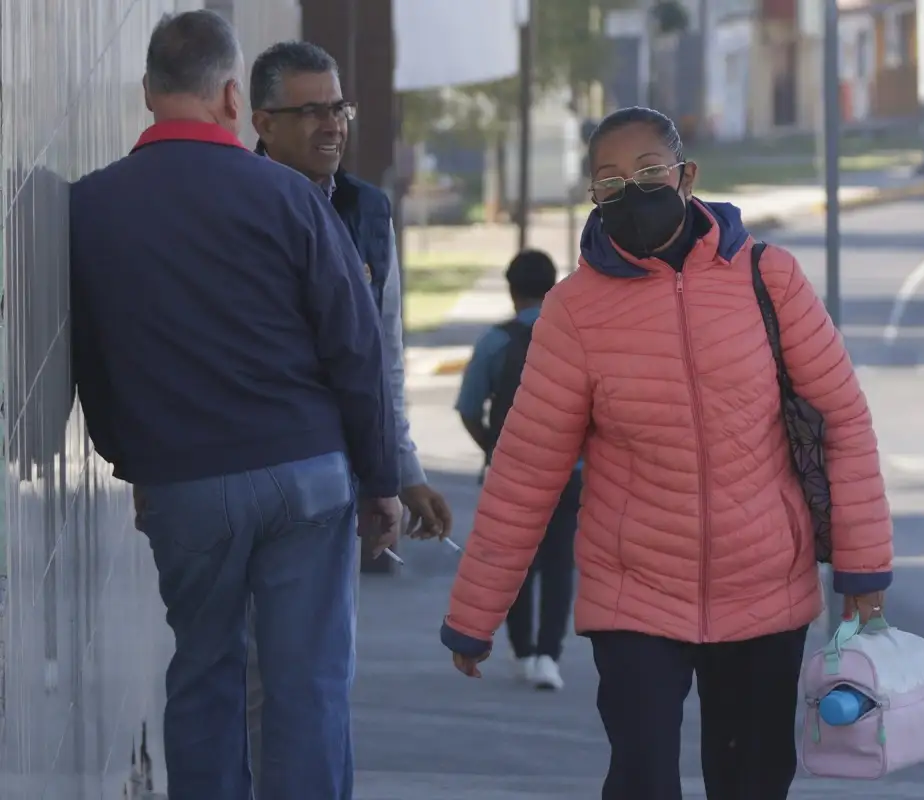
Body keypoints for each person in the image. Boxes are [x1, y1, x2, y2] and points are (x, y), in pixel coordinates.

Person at [439, 106, 894, 800]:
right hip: (635, 595)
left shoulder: (770, 279)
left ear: (687, 176)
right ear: (593, 196)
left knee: (751, 782)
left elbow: (843, 423)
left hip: (763, 587)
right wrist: (475, 615)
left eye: (649, 171)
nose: (632, 191)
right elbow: (526, 470)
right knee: (642, 780)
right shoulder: (575, 311)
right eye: (610, 180)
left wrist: (863, 569)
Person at [70, 11, 405, 800]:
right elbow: (354, 347)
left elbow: (90, 359)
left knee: (206, 673)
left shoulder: (89, 206)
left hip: (188, 483)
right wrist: (381, 478)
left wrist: (135, 462)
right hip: (307, 473)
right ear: (231, 96)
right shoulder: (291, 198)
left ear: (148, 92)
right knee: (308, 686)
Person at [244, 40, 453, 784]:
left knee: (322, 677)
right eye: (311, 111)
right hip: (245, 471)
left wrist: (398, 471)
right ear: (263, 122)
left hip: (332, 479)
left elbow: (382, 357)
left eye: (338, 107)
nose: (331, 124)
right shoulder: (236, 201)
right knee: (256, 678)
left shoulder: (366, 210)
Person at [455, 250, 581, 691]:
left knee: (516, 560)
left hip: (513, 473)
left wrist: (493, 449)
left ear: (511, 291)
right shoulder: (575, 339)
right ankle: (549, 655)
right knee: (560, 561)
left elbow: (469, 407)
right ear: (553, 287)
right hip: (570, 469)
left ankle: (523, 650)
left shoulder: (495, 341)